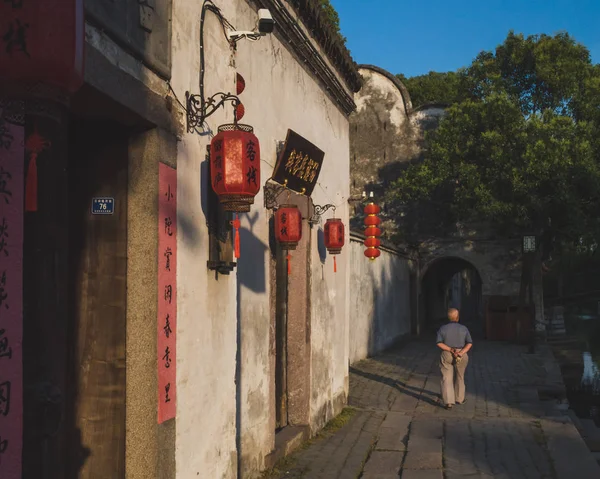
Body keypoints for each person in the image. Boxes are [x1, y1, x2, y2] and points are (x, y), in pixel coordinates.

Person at [436, 308, 473, 409]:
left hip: (447, 354)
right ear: (457, 317)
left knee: (446, 377)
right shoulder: (464, 328)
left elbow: (439, 343)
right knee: (460, 376)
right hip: (461, 354)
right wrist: (461, 352)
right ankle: (460, 398)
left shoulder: (442, 328)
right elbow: (469, 343)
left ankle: (448, 402)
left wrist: (451, 349)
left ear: (448, 317)